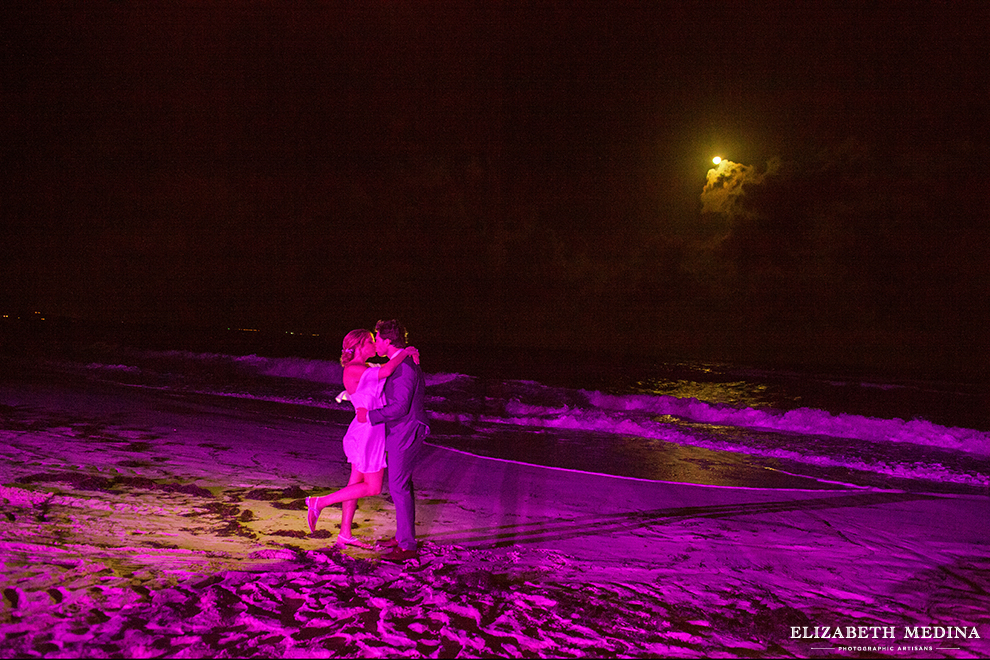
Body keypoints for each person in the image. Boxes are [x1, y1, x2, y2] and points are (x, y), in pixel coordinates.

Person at [305, 329, 418, 546]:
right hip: (368, 432)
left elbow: (372, 386)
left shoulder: (363, 368)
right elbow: (385, 372)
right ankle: (319, 502)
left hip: (369, 428)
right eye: (371, 342)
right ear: (360, 345)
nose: (375, 346)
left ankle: (345, 533)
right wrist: (405, 352)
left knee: (354, 484)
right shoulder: (355, 368)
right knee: (373, 487)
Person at [356, 319, 429, 562]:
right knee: (401, 485)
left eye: (377, 339)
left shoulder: (405, 367)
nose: (376, 344)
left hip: (406, 429)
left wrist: (371, 416)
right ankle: (402, 537)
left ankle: (407, 546)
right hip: (400, 428)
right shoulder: (401, 362)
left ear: (388, 341)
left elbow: (399, 407)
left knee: (399, 486)